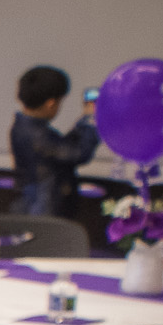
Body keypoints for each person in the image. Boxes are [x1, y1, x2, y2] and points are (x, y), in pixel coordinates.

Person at [9, 66, 100, 217]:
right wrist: (91, 120)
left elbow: (64, 147)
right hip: (44, 211)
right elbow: (79, 153)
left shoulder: (23, 127)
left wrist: (85, 120)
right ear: (51, 103)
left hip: (31, 206)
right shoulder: (37, 135)